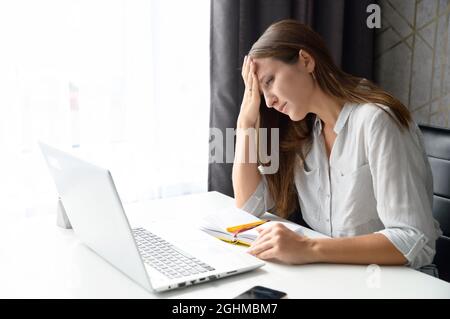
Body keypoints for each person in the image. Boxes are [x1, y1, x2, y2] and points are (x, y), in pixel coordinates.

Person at [232, 19, 442, 270]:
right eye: (259, 91)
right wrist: (245, 122)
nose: (268, 102)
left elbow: (414, 238)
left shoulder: (377, 121)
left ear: (306, 61)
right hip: (337, 278)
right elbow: (248, 207)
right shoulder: (303, 133)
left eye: (269, 82)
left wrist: (307, 248)